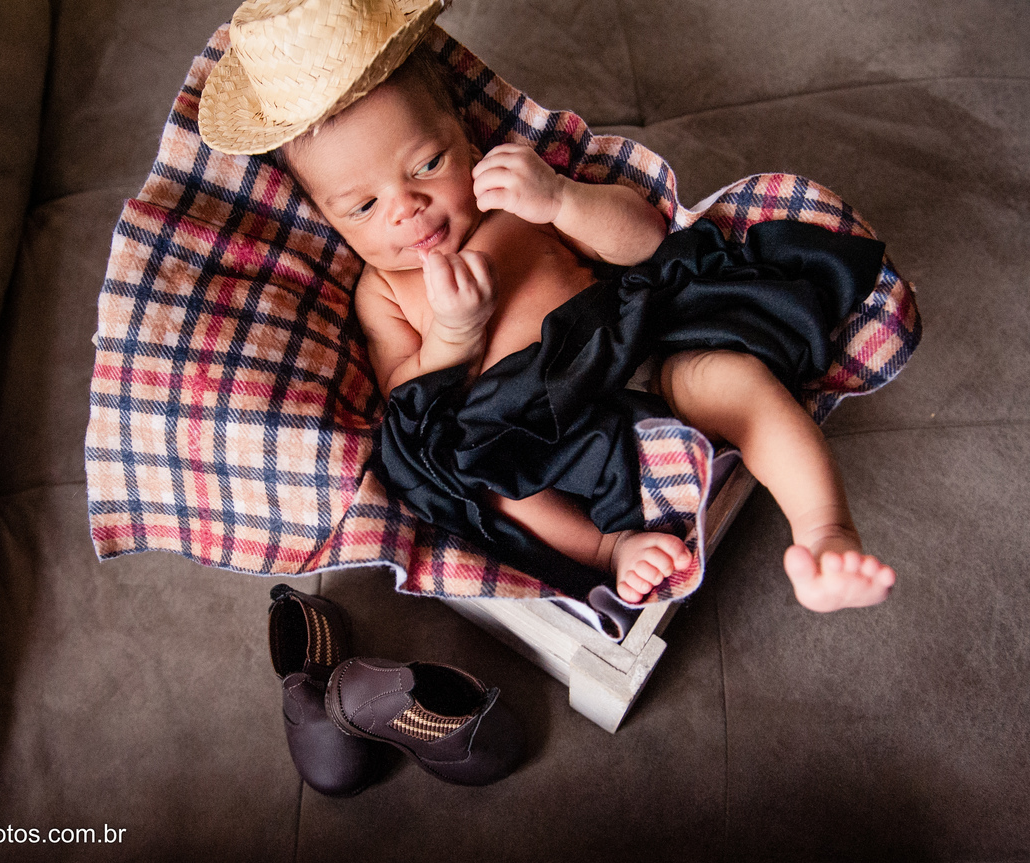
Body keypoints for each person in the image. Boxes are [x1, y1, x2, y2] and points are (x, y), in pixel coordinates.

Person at [199, 0, 896, 613]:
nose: (407, 208)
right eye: (365, 205)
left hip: (635, 352)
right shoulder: (381, 291)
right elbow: (409, 403)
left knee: (746, 386)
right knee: (480, 481)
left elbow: (645, 242)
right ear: (330, 219)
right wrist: (451, 334)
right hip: (533, 437)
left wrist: (563, 198)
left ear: (465, 136)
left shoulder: (513, 194)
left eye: (427, 165)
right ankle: (607, 546)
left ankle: (825, 534)